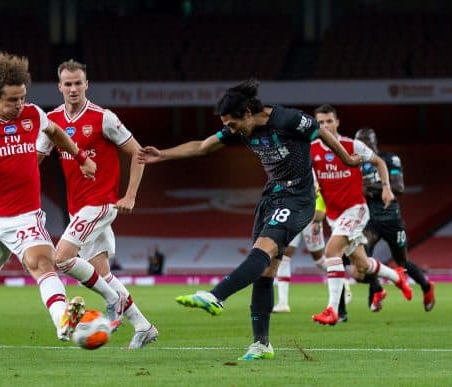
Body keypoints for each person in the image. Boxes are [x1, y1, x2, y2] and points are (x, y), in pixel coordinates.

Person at [138, 79, 359, 360]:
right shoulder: (238, 128)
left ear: (247, 113)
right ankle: (262, 344)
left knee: (263, 249)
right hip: (272, 196)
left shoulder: (289, 119)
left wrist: (347, 160)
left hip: (299, 197)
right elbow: (203, 146)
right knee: (265, 270)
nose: (230, 129)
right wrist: (163, 155)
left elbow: (323, 134)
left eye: (232, 123)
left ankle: (216, 295)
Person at [0, 52, 123, 359]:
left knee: (42, 264)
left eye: (22, 98)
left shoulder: (33, 114)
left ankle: (63, 320)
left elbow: (56, 132)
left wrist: (81, 156)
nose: (19, 105)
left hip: (26, 216)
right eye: (11, 100)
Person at [36, 59, 157, 349]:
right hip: (77, 207)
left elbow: (138, 153)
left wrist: (130, 196)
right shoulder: (52, 122)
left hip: (100, 202)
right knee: (102, 273)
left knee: (62, 258)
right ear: (60, 87)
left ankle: (112, 300)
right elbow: (34, 161)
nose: (74, 88)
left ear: (86, 84)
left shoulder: (104, 118)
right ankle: (143, 326)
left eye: (78, 83)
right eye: (68, 83)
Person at [310, 104, 412, 325]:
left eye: (329, 121)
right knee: (362, 265)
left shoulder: (351, 145)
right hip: (334, 216)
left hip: (356, 210)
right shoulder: (313, 150)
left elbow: (379, 162)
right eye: (321, 122)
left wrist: (385, 186)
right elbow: (311, 179)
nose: (325, 126)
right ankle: (398, 277)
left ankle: (332, 310)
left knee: (332, 252)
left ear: (337, 122)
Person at [354, 127, 435, 312]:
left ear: (374, 142)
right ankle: (377, 291)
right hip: (369, 220)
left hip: (391, 218)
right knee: (364, 259)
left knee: (402, 262)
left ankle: (426, 286)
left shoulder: (389, 159)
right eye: (360, 141)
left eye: (367, 140)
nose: (363, 145)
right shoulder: (355, 163)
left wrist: (370, 187)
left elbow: (398, 187)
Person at [273, 190, 351, 322]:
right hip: (293, 217)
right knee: (284, 256)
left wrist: (318, 218)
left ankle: (342, 281)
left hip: (311, 219)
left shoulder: (313, 172)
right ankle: (283, 302)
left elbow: (319, 195)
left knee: (320, 261)